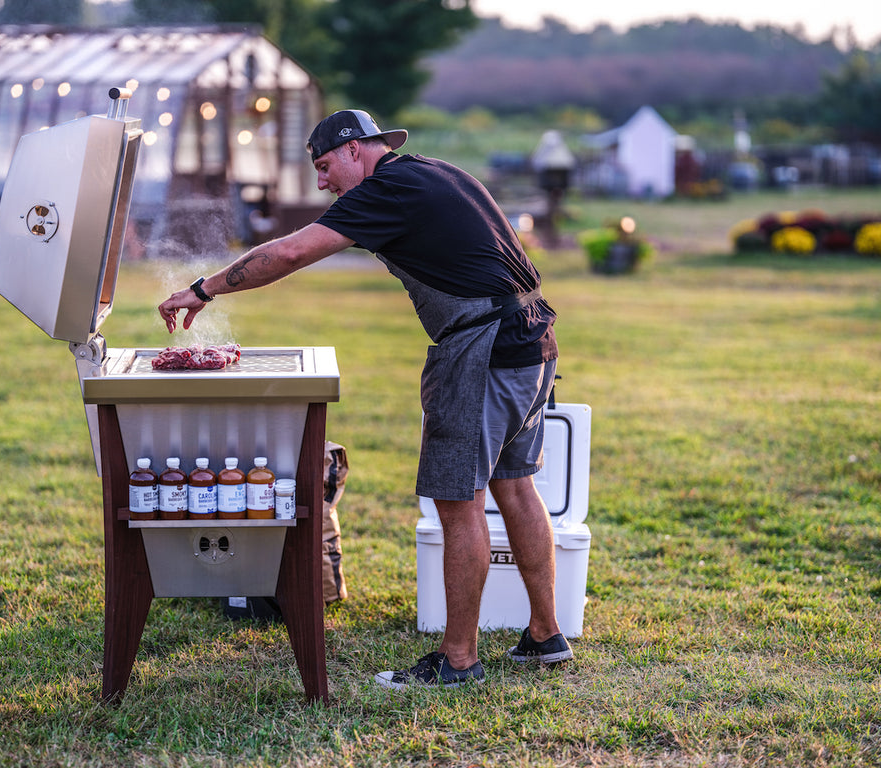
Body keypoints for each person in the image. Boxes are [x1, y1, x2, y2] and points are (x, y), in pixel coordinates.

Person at [158, 109, 573, 688]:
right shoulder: (434, 172)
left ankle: (458, 662)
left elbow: (291, 253)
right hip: (532, 341)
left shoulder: (389, 188)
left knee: (461, 502)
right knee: (514, 485)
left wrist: (205, 288)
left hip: (482, 351)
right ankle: (546, 636)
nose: (323, 181)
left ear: (356, 150)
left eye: (325, 166)